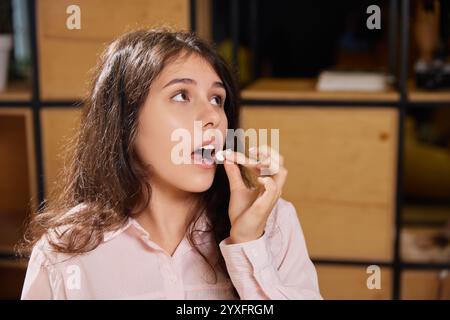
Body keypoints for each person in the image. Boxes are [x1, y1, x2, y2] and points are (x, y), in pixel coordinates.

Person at [19, 28, 321, 300]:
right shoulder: (63, 254)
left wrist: (248, 244)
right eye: (181, 95)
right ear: (124, 122)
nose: (213, 117)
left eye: (217, 99)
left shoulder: (274, 224)